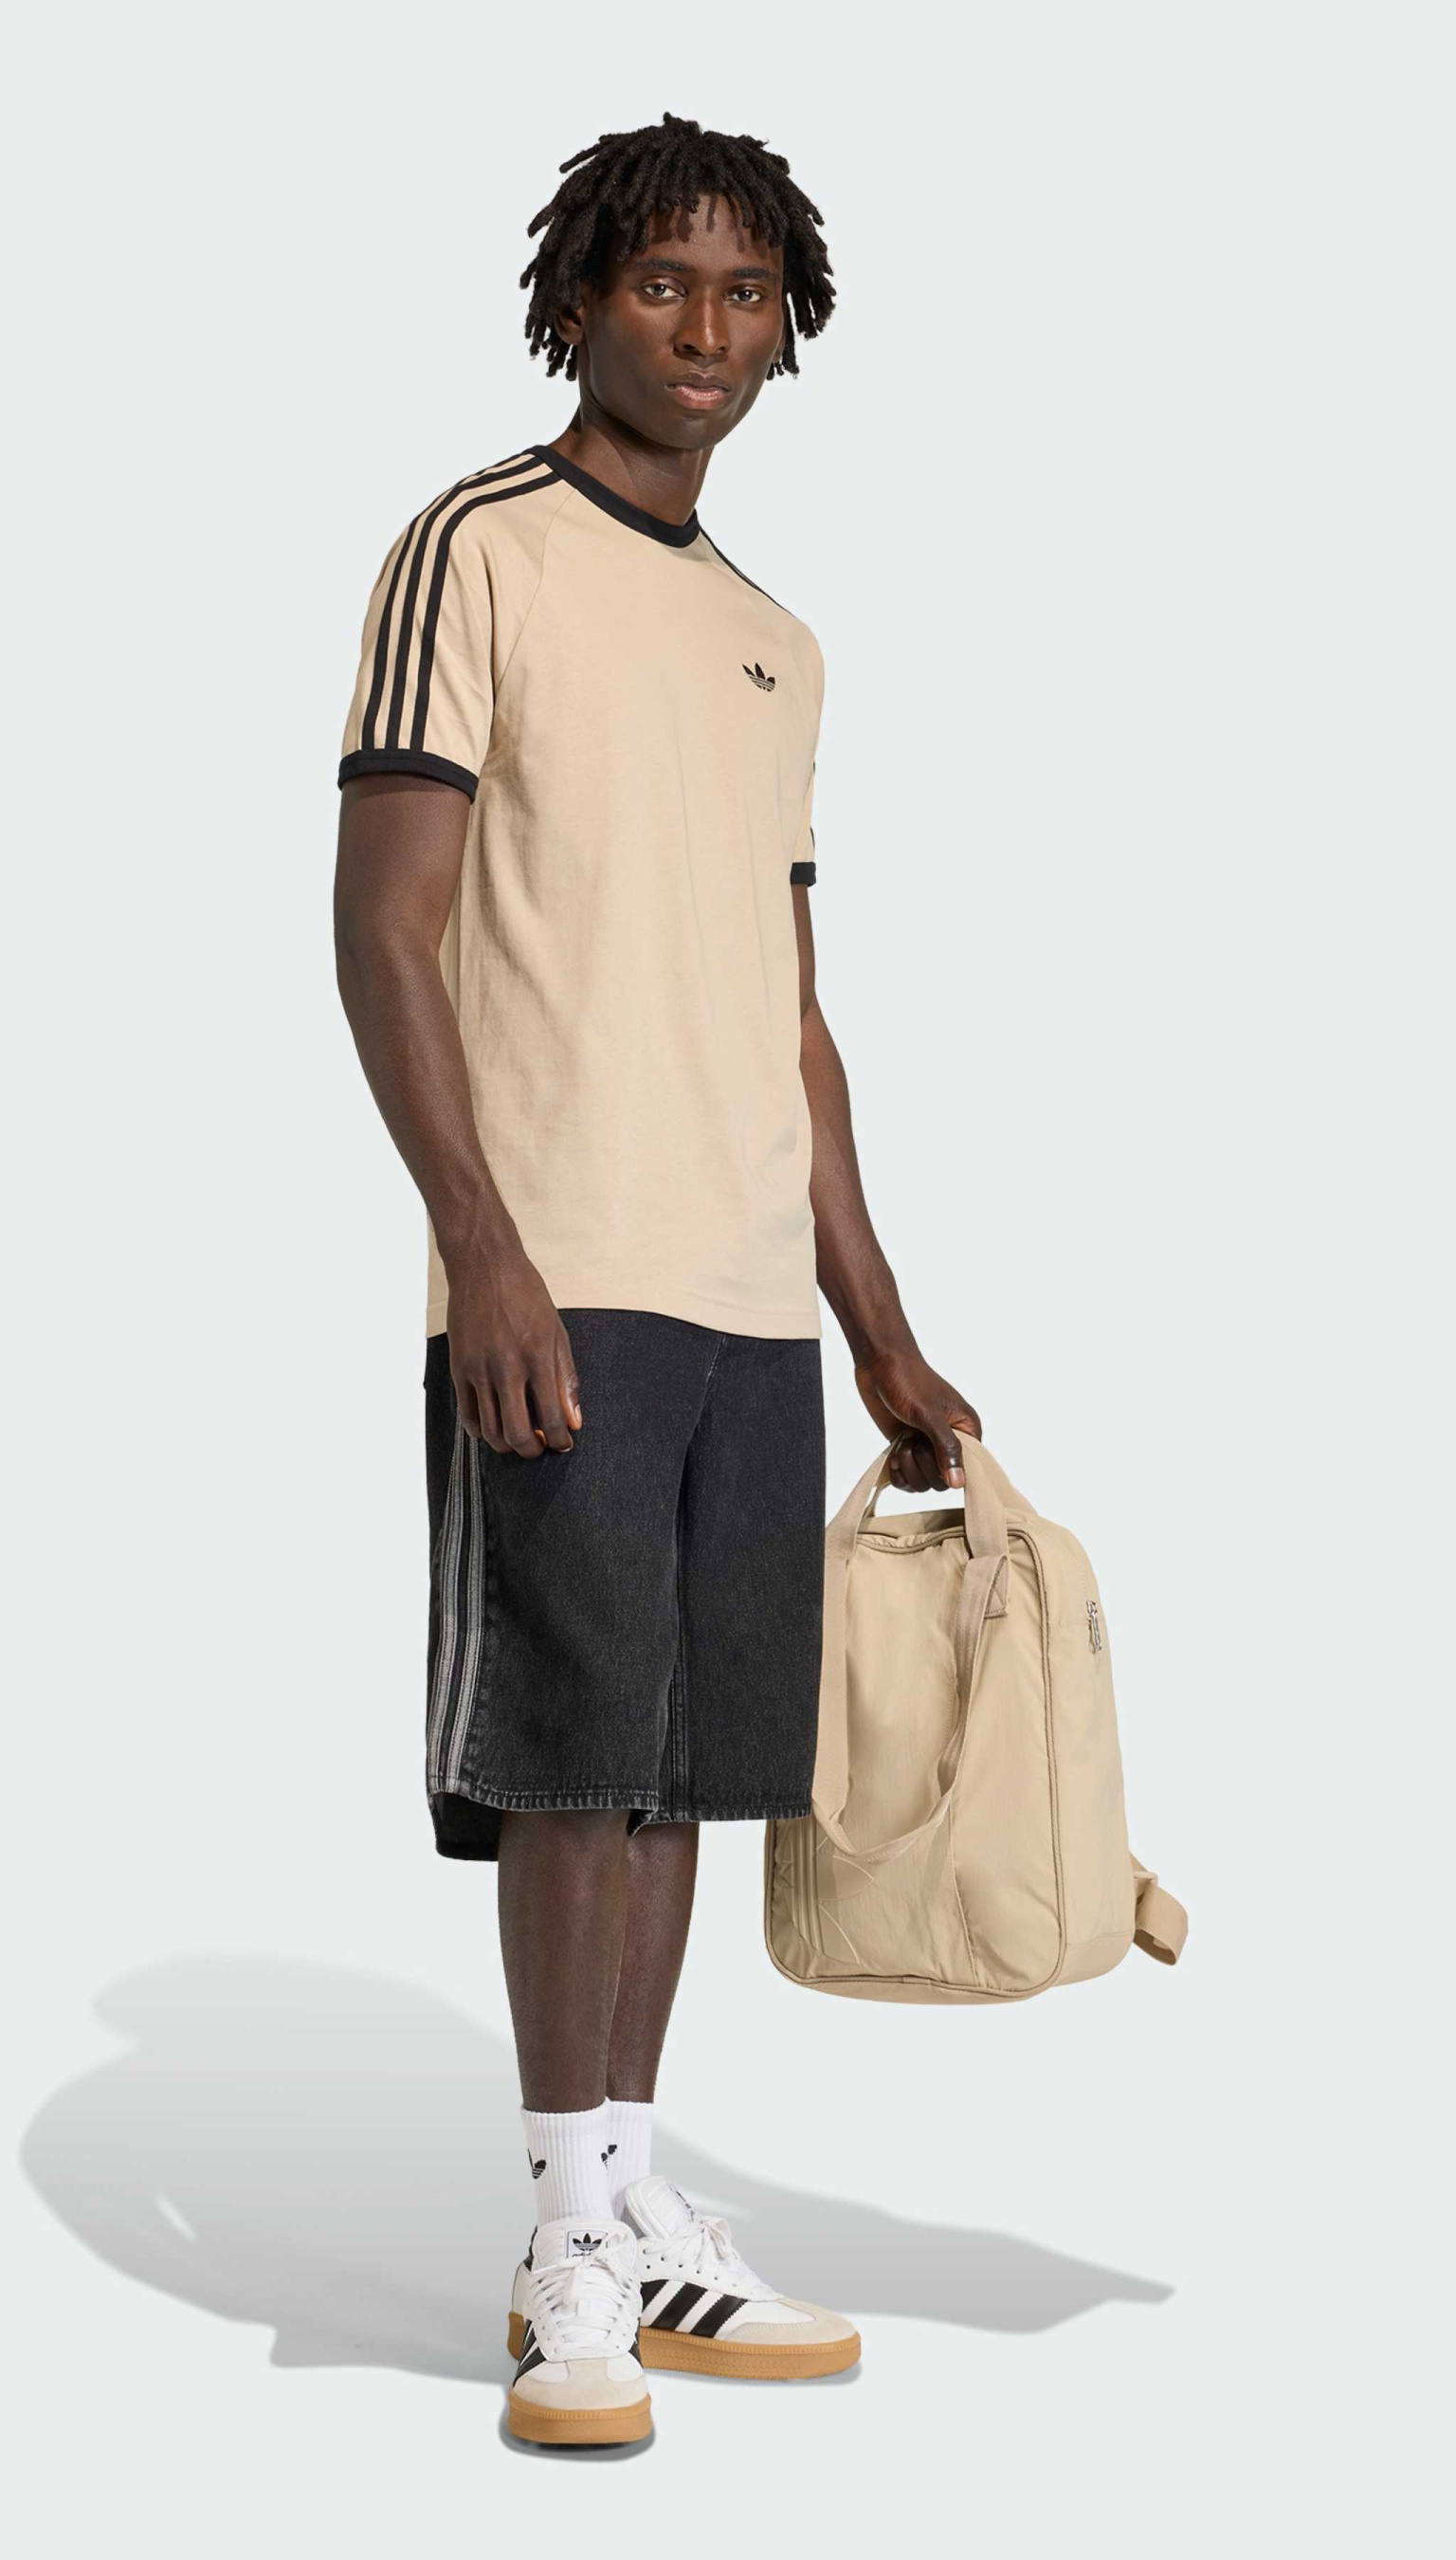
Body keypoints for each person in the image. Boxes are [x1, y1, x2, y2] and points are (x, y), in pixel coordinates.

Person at [333, 113, 980, 2446]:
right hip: (563, 1264)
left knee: (685, 1770)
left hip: (742, 1295)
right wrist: (481, 1243)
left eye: (744, 292)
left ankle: (624, 2196)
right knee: (570, 1764)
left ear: (786, 326)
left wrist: (878, 1326)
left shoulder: (773, 644)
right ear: (578, 300)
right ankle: (557, 2252)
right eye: (659, 282)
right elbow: (384, 925)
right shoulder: (476, 549)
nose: (704, 328)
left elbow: (790, 1018)